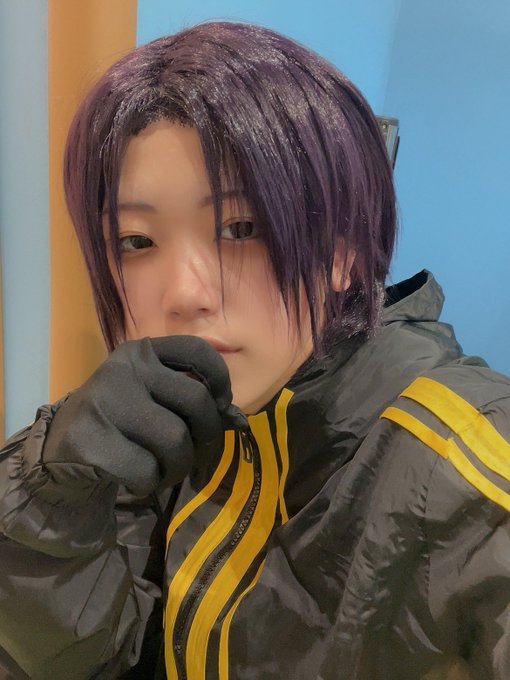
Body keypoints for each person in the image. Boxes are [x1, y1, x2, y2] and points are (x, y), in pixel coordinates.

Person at [0, 20, 509, 680]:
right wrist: (52, 500)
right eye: (136, 241)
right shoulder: (157, 422)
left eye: (240, 228)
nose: (184, 294)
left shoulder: (458, 455)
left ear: (344, 253)